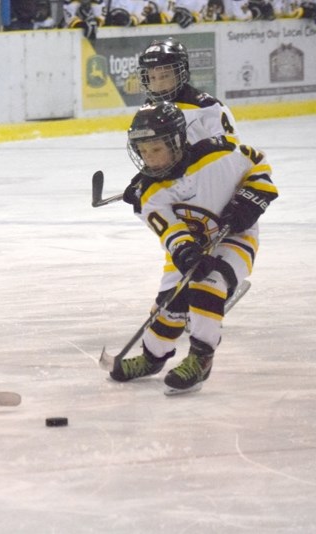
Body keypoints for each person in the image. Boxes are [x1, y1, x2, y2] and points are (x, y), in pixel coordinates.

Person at [109, 101, 278, 394]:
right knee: (168, 305)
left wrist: (250, 200)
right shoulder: (149, 193)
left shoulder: (219, 156)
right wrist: (185, 252)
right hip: (192, 245)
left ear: (176, 142)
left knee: (207, 284)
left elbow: (258, 164)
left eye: (156, 149)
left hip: (235, 238)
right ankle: (152, 357)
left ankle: (201, 358)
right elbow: (171, 232)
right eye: (144, 152)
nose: (150, 160)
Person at [123, 37, 239, 207]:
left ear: (181, 73)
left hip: (213, 187)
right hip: (177, 194)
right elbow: (148, 150)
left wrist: (195, 155)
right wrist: (145, 178)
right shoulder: (148, 110)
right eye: (152, 77)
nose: (158, 83)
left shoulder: (207, 107)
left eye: (165, 75)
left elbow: (232, 146)